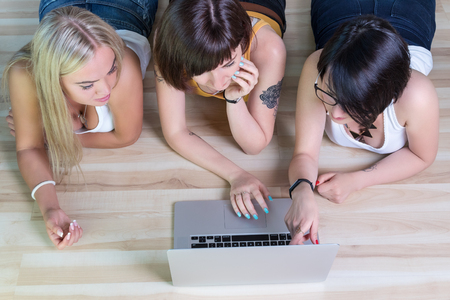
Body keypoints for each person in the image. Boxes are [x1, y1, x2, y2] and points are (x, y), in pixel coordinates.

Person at [2, 0, 158, 249]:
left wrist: (51, 136)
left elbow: (125, 137)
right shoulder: (26, 74)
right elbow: (29, 148)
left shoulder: (123, 61)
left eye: (111, 69)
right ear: (52, 78)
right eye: (87, 85)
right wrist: (50, 207)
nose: (107, 88)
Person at [287, 0, 439, 245]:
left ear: (385, 97)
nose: (335, 114)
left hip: (405, 16)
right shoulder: (317, 69)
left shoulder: (417, 95)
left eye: (350, 104)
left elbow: (422, 156)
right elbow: (304, 152)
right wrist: (301, 192)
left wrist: (358, 180)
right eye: (329, 94)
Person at [153, 0, 287, 219]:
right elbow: (175, 132)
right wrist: (235, 174)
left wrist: (234, 100)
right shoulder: (170, 43)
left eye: (228, 64)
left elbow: (254, 145)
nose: (217, 83)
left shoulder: (268, 48)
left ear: (244, 42)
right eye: (202, 69)